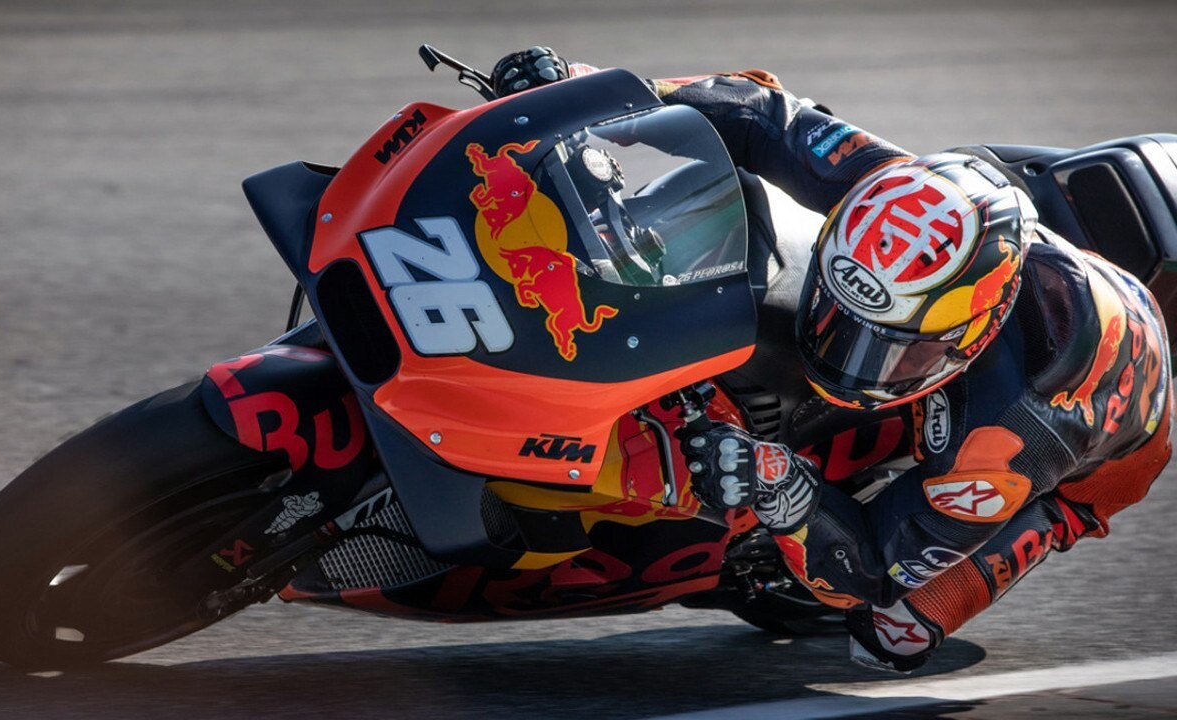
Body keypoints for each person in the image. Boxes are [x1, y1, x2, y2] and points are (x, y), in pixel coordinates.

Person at [490, 48, 1174, 672]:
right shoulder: (888, 186)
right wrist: (584, 93)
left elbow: (877, 568)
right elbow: (761, 112)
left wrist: (778, 486)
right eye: (844, 323)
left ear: (972, 336)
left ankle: (1036, 524)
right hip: (1008, 233)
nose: (851, 360)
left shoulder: (1010, 430)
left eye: (893, 350)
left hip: (1105, 446)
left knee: (893, 631)